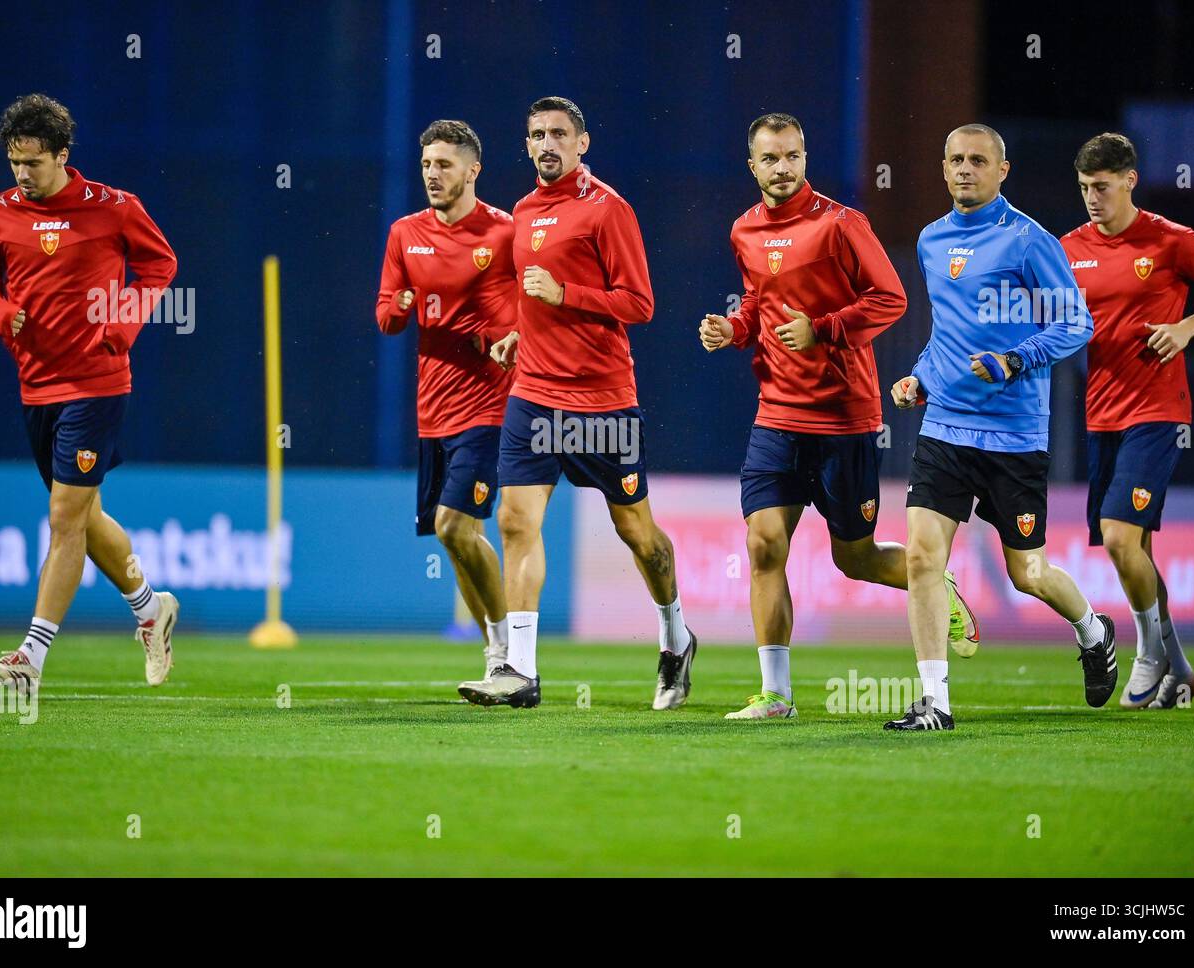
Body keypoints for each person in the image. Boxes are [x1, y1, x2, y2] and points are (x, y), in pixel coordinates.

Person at [699, 112, 978, 720]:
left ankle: (934, 584)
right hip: (775, 416)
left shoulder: (840, 222)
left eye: (792, 156)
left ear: (805, 157)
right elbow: (758, 303)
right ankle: (776, 695)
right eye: (770, 159)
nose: (782, 168)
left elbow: (891, 299)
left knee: (852, 558)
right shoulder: (744, 230)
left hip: (844, 420)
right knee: (764, 543)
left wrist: (823, 329)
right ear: (752, 165)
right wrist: (736, 329)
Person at [459, 96, 697, 711]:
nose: (546, 144)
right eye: (536, 133)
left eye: (559, 133)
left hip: (600, 401)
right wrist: (518, 330)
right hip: (534, 395)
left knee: (636, 531)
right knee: (515, 521)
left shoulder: (608, 209)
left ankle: (675, 635)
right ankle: (520, 670)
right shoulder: (524, 209)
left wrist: (565, 293)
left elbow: (639, 303)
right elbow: (529, 296)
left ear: (582, 142)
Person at [887, 123, 1115, 731]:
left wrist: (1016, 360)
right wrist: (920, 378)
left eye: (979, 160)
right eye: (956, 159)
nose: (966, 169)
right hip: (945, 429)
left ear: (1002, 171)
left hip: (1014, 436)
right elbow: (947, 335)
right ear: (943, 167)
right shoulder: (933, 240)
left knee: (1028, 572)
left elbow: (1074, 325)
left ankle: (1094, 633)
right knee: (921, 558)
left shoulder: (1029, 241)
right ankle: (935, 701)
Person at [0, 93, 179, 693]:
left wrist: (124, 322)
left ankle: (29, 661)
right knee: (85, 515)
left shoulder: (113, 207)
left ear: (63, 155)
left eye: (34, 162)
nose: (23, 175)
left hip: (98, 382)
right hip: (36, 385)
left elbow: (161, 266)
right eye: (15, 163)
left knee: (63, 519)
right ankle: (150, 608)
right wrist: (1, 311)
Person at [1062, 132, 1194, 708]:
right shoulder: (1069, 248)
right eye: (1085, 187)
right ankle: (1180, 669)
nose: (1093, 198)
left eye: (1103, 187)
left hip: (1157, 410)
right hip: (1101, 414)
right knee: (1137, 549)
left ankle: (1149, 651)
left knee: (1117, 537)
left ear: (1130, 180)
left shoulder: (1170, 240)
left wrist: (1186, 329)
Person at [376, 120, 517, 692]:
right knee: (449, 534)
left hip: (489, 406)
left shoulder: (506, 232)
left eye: (444, 164)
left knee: (455, 525)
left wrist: (507, 337)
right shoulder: (405, 234)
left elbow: (529, 307)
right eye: (427, 163)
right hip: (433, 410)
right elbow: (385, 316)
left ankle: (510, 649)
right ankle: (496, 654)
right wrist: (402, 304)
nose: (433, 174)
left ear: (472, 170)